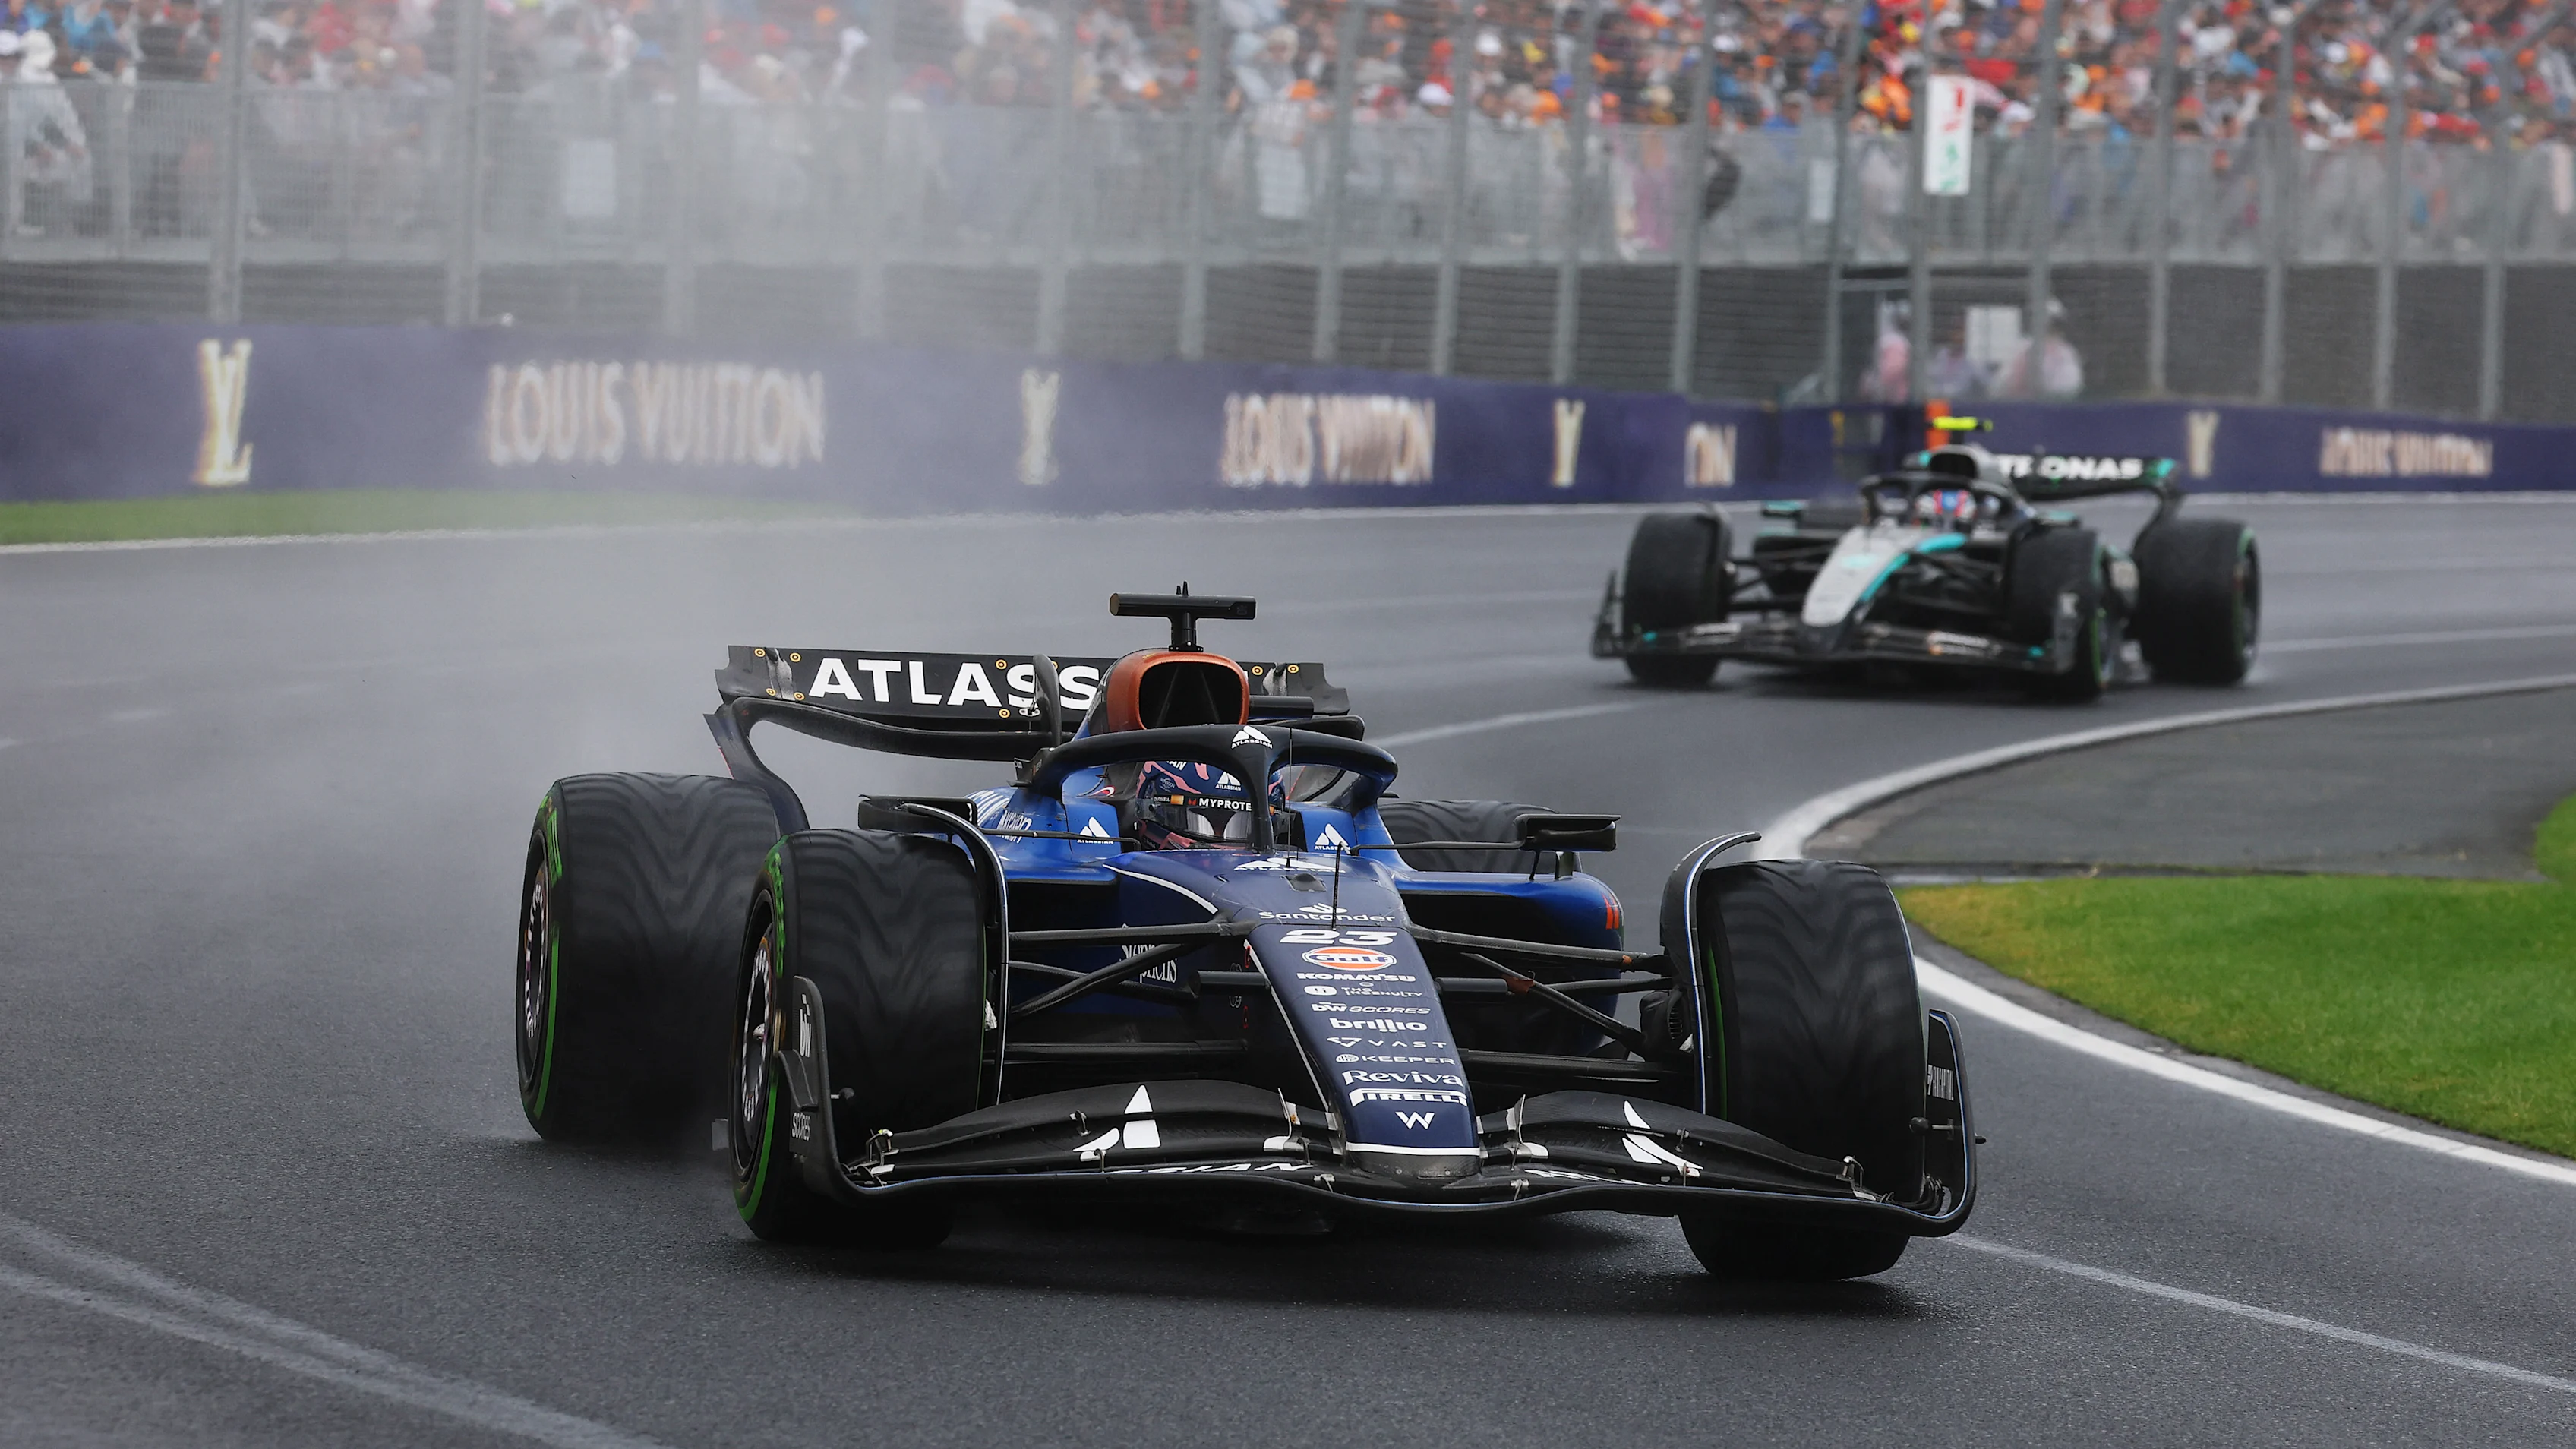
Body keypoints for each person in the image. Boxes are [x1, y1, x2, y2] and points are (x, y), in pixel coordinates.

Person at [1998, 297, 2084, 400]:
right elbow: (2000, 385)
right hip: (2017, 407)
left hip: (2052, 408)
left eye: (2055, 323)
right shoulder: (2022, 348)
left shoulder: (2065, 352)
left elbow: (2070, 387)